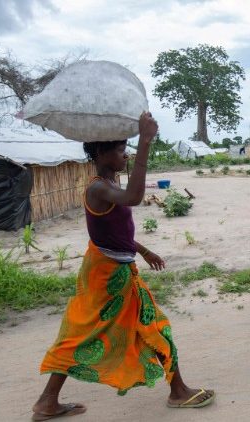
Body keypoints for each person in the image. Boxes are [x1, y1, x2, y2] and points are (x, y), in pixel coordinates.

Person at [32, 112, 214, 421]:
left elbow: (113, 232)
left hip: (112, 268)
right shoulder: (98, 189)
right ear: (101, 153)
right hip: (106, 276)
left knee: (129, 327)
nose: (126, 154)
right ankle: (178, 391)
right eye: (120, 149)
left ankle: (48, 401)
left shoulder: (106, 184)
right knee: (133, 327)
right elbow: (134, 197)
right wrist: (144, 142)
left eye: (127, 148)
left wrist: (142, 249)